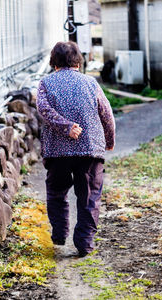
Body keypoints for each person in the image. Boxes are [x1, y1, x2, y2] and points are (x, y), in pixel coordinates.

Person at [37, 41, 115, 257]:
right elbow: (106, 113)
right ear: (78, 63)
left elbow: (43, 109)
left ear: (54, 63)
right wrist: (109, 140)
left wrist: (65, 127)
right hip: (90, 148)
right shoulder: (91, 83)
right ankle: (85, 243)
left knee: (57, 192)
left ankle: (60, 234)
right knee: (89, 196)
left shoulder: (45, 83)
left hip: (57, 151)